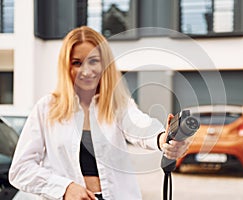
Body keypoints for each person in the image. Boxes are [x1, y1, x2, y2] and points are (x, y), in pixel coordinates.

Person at [9, 26, 190, 200]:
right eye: (77, 63)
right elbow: (20, 170)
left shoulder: (118, 105)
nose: (86, 71)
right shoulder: (46, 108)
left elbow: (141, 128)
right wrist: (64, 188)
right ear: (66, 66)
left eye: (93, 61)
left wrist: (163, 139)